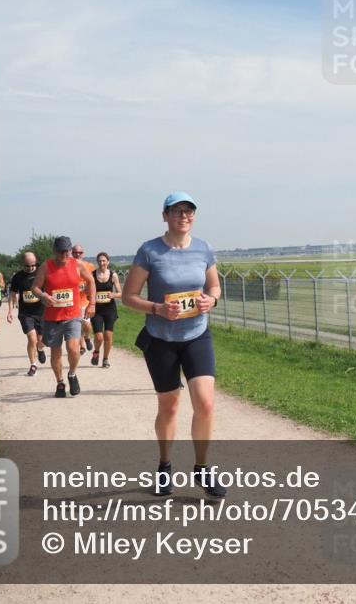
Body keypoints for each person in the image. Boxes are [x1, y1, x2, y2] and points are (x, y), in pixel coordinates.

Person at [122, 192, 225, 499]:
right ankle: (165, 466)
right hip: (161, 339)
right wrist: (157, 309)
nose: (184, 216)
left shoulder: (203, 249)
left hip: (197, 334)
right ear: (165, 215)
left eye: (189, 211)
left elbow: (215, 285)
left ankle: (203, 468)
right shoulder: (150, 251)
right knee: (170, 407)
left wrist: (212, 299)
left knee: (205, 403)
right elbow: (129, 297)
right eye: (177, 211)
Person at [32, 237, 96, 398]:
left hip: (73, 315)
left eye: (67, 251)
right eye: (61, 251)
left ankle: (72, 375)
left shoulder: (77, 264)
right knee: (56, 353)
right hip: (52, 317)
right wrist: (43, 296)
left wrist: (92, 303)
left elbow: (91, 281)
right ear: (54, 251)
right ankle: (60, 382)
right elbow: (35, 288)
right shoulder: (46, 266)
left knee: (74, 348)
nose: (64, 254)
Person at [7, 252, 47, 376]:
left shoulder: (41, 274)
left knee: (41, 340)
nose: (30, 268)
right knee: (32, 338)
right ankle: (33, 364)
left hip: (41, 312)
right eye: (27, 266)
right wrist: (10, 310)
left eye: (32, 265)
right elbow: (12, 294)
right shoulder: (18, 277)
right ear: (23, 264)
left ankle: (40, 349)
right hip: (26, 313)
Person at [90, 252, 121, 367]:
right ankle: (96, 351)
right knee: (99, 336)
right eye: (99, 261)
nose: (102, 263)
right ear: (97, 262)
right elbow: (88, 291)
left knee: (108, 335)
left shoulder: (113, 275)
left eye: (104, 261)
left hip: (110, 309)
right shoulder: (92, 275)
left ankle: (105, 359)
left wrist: (114, 295)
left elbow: (120, 293)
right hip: (96, 310)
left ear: (108, 262)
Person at [72, 244, 96, 355]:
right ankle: (81, 347)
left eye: (80, 252)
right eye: (75, 252)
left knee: (86, 324)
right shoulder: (68, 266)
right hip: (73, 302)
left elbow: (94, 282)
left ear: (83, 253)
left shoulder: (89, 266)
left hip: (85, 301)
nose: (78, 254)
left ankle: (87, 337)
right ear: (71, 253)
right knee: (78, 325)